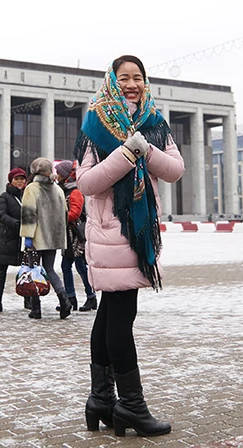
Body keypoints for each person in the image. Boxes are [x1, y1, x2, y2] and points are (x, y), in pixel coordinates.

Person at [75, 55, 184, 438]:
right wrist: (127, 153)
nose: (132, 84)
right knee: (121, 319)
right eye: (124, 78)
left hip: (138, 233)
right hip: (110, 232)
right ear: (111, 81)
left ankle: (101, 400)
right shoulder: (95, 124)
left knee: (110, 314)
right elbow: (86, 183)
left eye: (138, 77)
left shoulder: (155, 123)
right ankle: (131, 407)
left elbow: (175, 170)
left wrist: (146, 149)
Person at [19, 157, 72, 320]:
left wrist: (27, 236)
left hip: (36, 237)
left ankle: (36, 309)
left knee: (33, 270)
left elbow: (28, 214)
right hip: (53, 238)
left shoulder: (31, 189)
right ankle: (65, 301)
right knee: (49, 269)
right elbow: (64, 214)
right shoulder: (57, 189)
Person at [55, 159, 97, 312]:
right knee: (65, 266)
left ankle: (91, 297)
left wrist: (58, 216)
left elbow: (75, 214)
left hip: (77, 237)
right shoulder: (63, 190)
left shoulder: (75, 191)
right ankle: (70, 297)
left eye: (59, 173)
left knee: (81, 267)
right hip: (67, 236)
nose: (56, 175)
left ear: (66, 175)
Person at [0, 167, 28, 314]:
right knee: (2, 269)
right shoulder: (5, 196)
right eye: (16, 179)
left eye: (22, 178)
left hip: (25, 239)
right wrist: (16, 224)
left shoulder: (29, 195)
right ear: (11, 181)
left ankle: (28, 299)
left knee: (27, 269)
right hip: (7, 239)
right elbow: (1, 215)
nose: (20, 181)